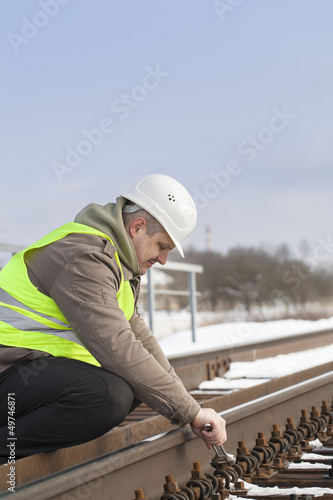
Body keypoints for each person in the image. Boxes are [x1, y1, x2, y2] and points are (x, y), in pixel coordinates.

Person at [0, 174, 226, 464]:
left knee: (135, 384)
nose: (163, 259)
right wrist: (190, 413)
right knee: (109, 395)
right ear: (138, 227)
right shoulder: (84, 258)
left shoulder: (114, 262)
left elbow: (139, 340)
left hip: (22, 372)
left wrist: (189, 406)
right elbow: (117, 346)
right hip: (8, 370)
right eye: (162, 246)